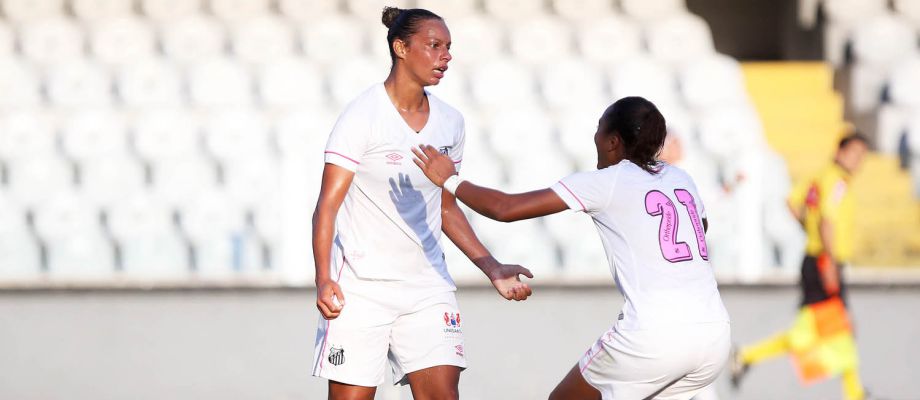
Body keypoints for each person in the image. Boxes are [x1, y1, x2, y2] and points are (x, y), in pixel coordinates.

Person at [413, 97, 731, 400]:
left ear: (612, 142)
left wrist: (449, 180)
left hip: (654, 335)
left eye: (599, 127)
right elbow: (698, 230)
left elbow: (504, 208)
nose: (594, 135)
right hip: (715, 335)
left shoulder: (606, 181)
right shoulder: (681, 177)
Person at [311, 7, 534, 400]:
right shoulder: (362, 117)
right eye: (434, 46)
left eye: (448, 47)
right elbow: (326, 206)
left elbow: (445, 207)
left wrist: (492, 267)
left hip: (428, 288)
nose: (445, 56)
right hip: (362, 290)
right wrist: (323, 277)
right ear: (400, 47)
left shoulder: (451, 122)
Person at [730, 133, 869, 400]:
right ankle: (855, 394)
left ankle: (855, 393)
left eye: (862, 155)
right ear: (839, 152)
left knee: (826, 331)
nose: (857, 160)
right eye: (854, 153)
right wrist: (827, 255)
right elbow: (828, 219)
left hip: (815, 259)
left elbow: (792, 203)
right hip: (825, 262)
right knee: (833, 329)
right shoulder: (838, 182)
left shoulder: (821, 176)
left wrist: (809, 230)